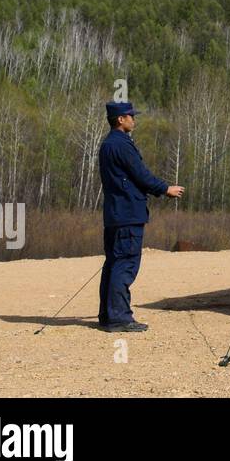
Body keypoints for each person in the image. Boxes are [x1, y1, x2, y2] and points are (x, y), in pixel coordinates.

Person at [98, 101, 184, 332]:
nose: (134, 119)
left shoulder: (107, 145)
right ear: (120, 120)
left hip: (114, 214)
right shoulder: (122, 145)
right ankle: (120, 319)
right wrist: (166, 189)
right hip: (127, 214)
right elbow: (141, 175)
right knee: (125, 265)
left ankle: (107, 315)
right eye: (130, 116)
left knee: (113, 264)